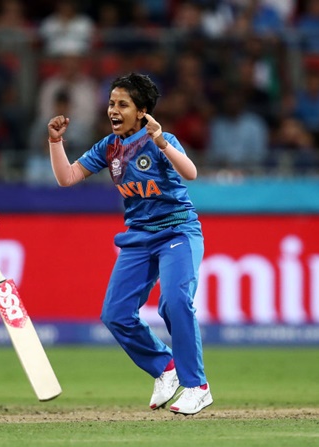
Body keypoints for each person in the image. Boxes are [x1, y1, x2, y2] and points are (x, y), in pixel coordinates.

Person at [46, 73, 213, 415]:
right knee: (116, 314)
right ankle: (165, 369)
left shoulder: (160, 139)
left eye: (122, 104)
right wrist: (55, 142)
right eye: (111, 103)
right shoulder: (109, 147)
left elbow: (191, 173)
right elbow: (67, 178)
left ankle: (196, 385)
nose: (113, 110)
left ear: (142, 111)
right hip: (139, 237)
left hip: (177, 231)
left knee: (175, 301)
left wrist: (163, 142)